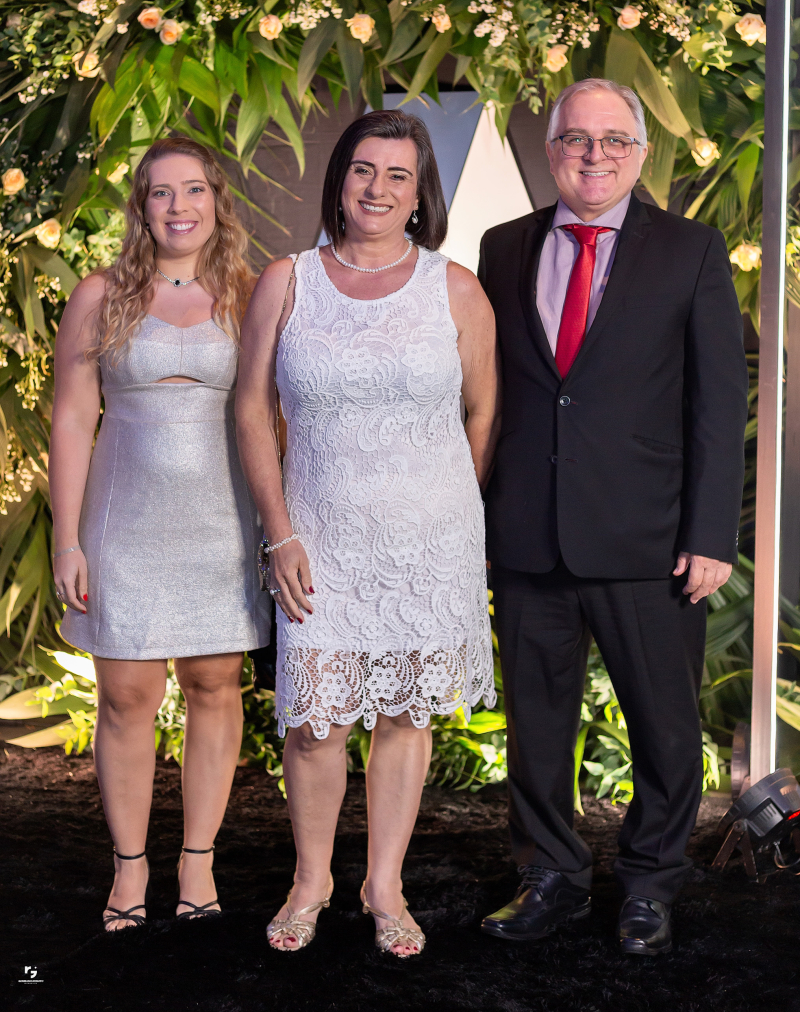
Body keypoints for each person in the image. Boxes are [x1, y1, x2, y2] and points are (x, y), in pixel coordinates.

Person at [477, 78, 748, 955]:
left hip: (650, 540)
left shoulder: (691, 249)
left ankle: (649, 886)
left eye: (613, 140)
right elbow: (495, 393)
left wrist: (710, 534)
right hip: (528, 534)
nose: (594, 155)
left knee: (665, 729)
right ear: (551, 148)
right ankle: (550, 877)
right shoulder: (502, 247)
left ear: (640, 151)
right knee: (536, 729)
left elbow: (717, 403)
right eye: (576, 139)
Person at [236, 109, 499, 956]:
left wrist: (449, 513)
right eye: (362, 170)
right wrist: (279, 535)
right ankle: (310, 880)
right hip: (316, 540)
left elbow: (483, 411)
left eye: (397, 175)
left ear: (420, 193)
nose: (377, 188)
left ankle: (384, 884)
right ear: (339, 180)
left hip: (428, 543)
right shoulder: (287, 280)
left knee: (407, 716)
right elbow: (250, 410)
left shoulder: (456, 288)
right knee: (317, 721)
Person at [50, 138, 269, 931]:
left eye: (194, 189)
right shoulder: (100, 293)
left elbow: (278, 416)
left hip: (224, 522)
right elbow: (72, 418)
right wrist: (66, 540)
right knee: (126, 696)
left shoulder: (253, 293)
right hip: (125, 521)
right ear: (141, 207)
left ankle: (197, 862)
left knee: (214, 685)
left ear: (217, 200)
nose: (179, 206)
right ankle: (130, 867)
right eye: (161, 192)